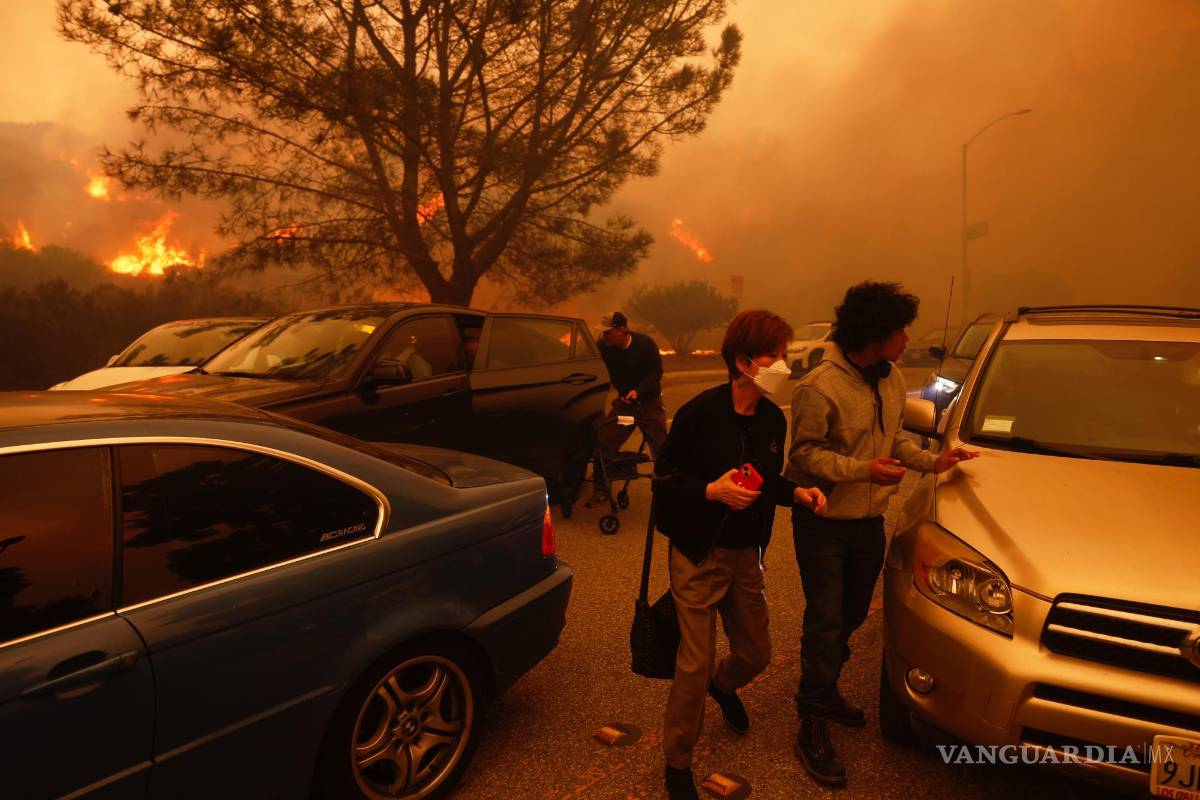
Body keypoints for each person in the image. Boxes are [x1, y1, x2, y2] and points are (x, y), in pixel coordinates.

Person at [785, 281, 978, 788]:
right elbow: (801, 457)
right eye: (900, 330)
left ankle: (824, 691)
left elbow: (894, 440)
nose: (906, 338)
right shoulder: (819, 387)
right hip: (823, 522)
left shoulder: (891, 379)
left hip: (869, 524)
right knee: (826, 620)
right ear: (875, 334)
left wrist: (935, 461)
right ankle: (812, 718)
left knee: (850, 616)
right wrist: (861, 471)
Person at [653, 309, 829, 800]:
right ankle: (677, 761)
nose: (785, 365)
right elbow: (663, 479)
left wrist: (798, 493)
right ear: (745, 361)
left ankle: (725, 685)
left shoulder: (773, 419)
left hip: (746, 555)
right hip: (697, 553)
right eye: (776, 356)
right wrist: (711, 491)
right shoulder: (699, 414)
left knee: (757, 653)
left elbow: (767, 480)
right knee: (694, 662)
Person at [588, 311, 669, 506]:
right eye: (603, 333)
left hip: (648, 402)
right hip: (624, 403)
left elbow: (656, 372)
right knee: (605, 441)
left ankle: (666, 488)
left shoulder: (645, 344)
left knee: (661, 444)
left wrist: (638, 391)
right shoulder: (603, 348)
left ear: (622, 330)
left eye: (608, 333)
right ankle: (601, 488)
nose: (604, 337)